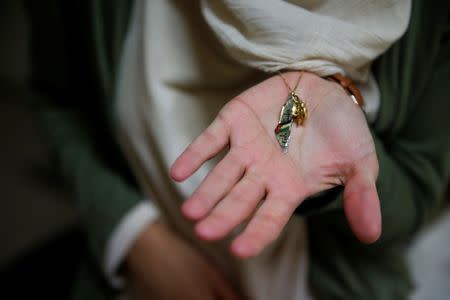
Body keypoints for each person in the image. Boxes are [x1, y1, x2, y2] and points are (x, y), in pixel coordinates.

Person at [25, 0, 450, 299]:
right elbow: (60, 101)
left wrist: (333, 180)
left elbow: (413, 192)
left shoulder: (430, 20)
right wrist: (136, 237)